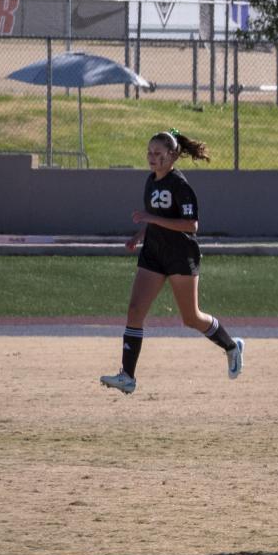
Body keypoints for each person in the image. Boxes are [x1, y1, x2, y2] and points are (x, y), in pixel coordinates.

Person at [98, 130, 244, 395]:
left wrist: (150, 220)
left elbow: (191, 225)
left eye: (158, 153)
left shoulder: (180, 185)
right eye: (149, 153)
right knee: (134, 310)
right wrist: (139, 234)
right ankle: (127, 376)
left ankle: (231, 346)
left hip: (180, 255)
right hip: (153, 253)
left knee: (191, 317)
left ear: (173, 155)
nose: (152, 158)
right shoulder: (150, 181)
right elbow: (154, 217)